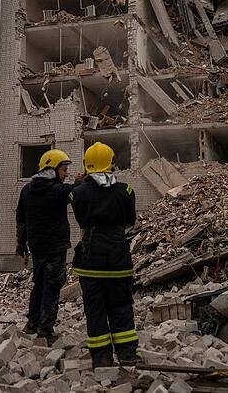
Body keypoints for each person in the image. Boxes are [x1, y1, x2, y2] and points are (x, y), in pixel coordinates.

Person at [70, 142, 139, 368]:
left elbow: (82, 220)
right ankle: (127, 354)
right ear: (111, 163)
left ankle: (101, 358)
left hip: (90, 260)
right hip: (118, 257)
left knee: (95, 309)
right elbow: (130, 221)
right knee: (121, 306)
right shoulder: (126, 191)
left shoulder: (78, 193)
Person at [15, 149, 74, 343]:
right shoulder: (58, 191)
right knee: (53, 285)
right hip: (56, 247)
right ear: (52, 169)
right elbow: (77, 190)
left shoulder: (27, 190)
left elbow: (21, 219)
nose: (66, 173)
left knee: (39, 283)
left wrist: (21, 243)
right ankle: (45, 330)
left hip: (37, 247)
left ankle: (32, 324)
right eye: (64, 169)